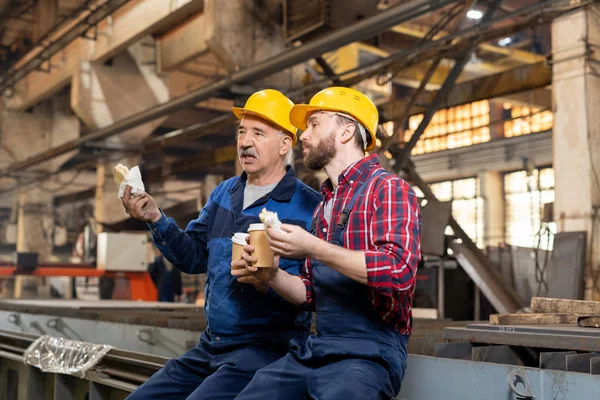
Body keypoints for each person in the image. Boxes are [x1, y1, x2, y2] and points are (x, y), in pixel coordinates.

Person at [121, 89, 322, 400]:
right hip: (212, 345)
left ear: (285, 144)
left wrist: (268, 280)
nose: (244, 142)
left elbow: (315, 290)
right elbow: (193, 258)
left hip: (266, 350)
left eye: (258, 132)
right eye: (241, 132)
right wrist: (157, 218)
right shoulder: (224, 194)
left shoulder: (309, 207)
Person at [232, 86, 422, 400]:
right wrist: (271, 276)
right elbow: (309, 293)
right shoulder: (325, 206)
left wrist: (313, 247)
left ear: (346, 131)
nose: (303, 135)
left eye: (314, 124)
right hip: (319, 346)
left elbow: (398, 273)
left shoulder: (387, 189)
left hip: (369, 353)